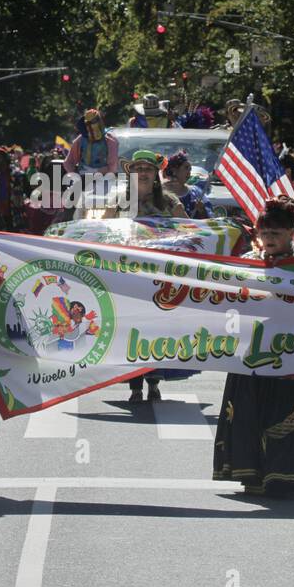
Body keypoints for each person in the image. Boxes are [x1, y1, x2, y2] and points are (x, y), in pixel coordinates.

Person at [214, 197, 294, 496]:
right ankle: (251, 473)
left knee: (288, 415)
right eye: (264, 233)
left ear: (291, 233)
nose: (269, 239)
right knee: (247, 413)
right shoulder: (247, 263)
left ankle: (285, 475)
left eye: (276, 233)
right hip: (251, 355)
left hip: (293, 356)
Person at [104, 150, 185, 402]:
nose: (143, 173)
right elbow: (102, 232)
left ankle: (153, 381)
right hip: (128, 276)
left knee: (156, 329)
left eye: (148, 169)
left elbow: (190, 233)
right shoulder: (118, 202)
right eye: (138, 169)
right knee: (131, 329)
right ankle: (135, 386)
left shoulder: (171, 203)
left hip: (161, 276)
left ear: (156, 174)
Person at [63, 109, 119, 176]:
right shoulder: (81, 140)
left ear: (100, 122)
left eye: (94, 122)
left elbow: (113, 167)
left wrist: (96, 171)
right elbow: (68, 162)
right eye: (88, 123)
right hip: (82, 179)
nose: (92, 126)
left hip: (104, 181)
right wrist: (74, 175)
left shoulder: (110, 140)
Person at [161, 150, 208, 219]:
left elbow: (207, 220)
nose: (189, 172)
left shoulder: (196, 192)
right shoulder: (157, 190)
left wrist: (202, 210)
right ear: (174, 170)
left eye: (190, 169)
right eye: (186, 168)